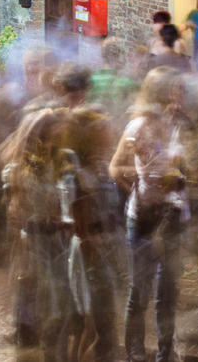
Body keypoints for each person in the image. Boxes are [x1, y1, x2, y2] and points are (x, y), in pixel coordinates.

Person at [109, 67, 190, 362]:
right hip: (142, 218)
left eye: (181, 90)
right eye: (176, 89)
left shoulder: (178, 124)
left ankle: (165, 355)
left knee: (167, 292)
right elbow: (114, 167)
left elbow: (184, 169)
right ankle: (135, 353)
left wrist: (181, 175)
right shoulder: (138, 126)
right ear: (163, 92)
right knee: (139, 290)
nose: (181, 95)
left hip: (174, 217)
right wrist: (139, 185)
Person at [0, 108, 70, 362]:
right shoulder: (19, 167)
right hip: (33, 241)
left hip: (56, 240)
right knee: (31, 306)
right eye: (53, 134)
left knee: (54, 309)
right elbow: (14, 212)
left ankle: (48, 352)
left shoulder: (59, 162)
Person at [59, 106, 120, 362]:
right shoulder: (80, 176)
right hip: (90, 255)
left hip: (96, 252)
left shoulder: (94, 169)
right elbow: (83, 229)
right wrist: (97, 268)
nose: (110, 137)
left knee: (89, 328)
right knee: (101, 333)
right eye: (103, 133)